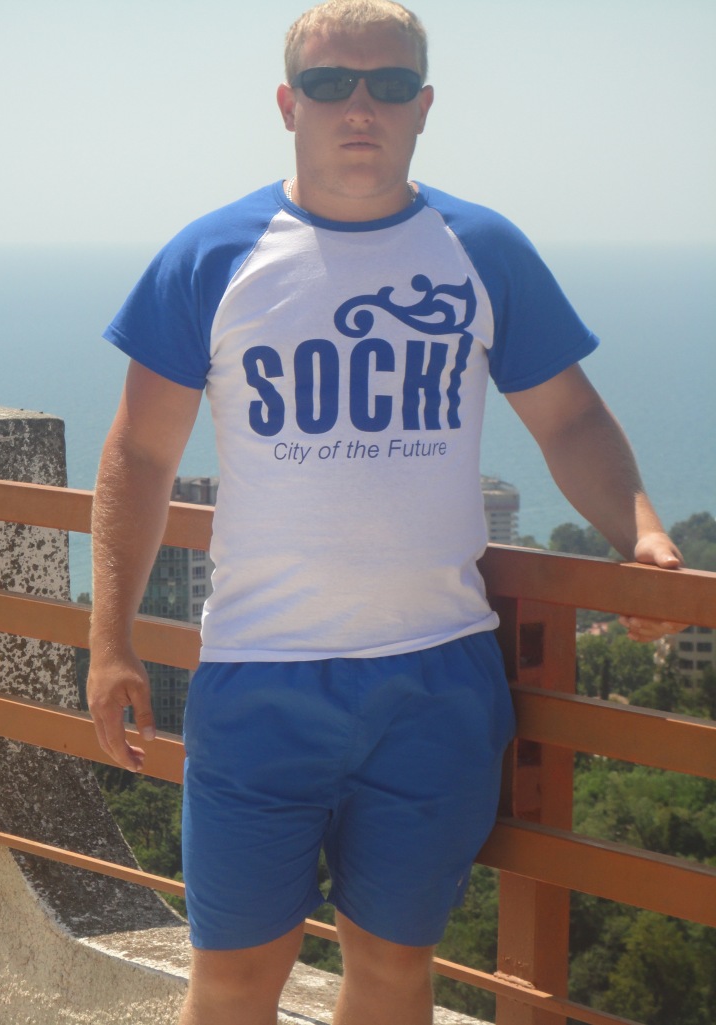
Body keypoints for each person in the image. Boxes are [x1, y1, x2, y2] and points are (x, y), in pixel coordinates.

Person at [86, 2, 684, 1022]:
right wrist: (110, 640)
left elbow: (572, 417)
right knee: (233, 975)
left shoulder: (483, 249)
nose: (359, 106)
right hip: (260, 676)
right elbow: (139, 454)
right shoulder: (211, 256)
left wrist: (644, 531)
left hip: (435, 677)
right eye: (330, 83)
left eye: (389, 84)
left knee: (396, 968)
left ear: (424, 105)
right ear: (289, 105)